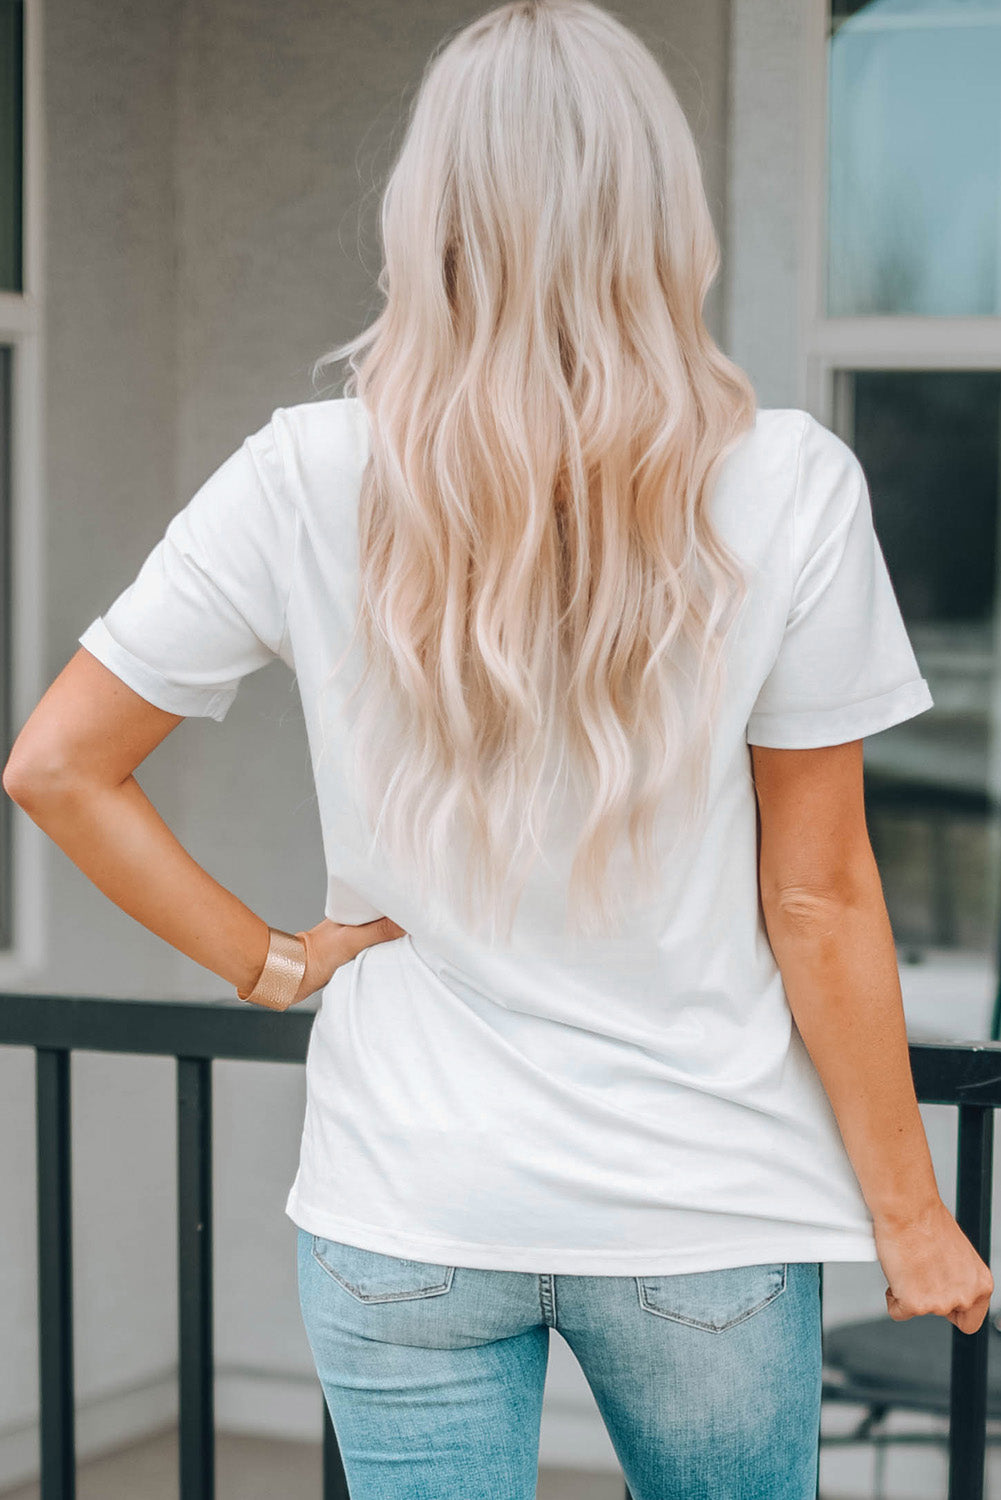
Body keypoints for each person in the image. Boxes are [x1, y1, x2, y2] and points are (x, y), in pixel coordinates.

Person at [3, 1, 992, 1496]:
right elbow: (817, 893)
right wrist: (909, 1215)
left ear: (427, 220)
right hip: (698, 1208)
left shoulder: (303, 475)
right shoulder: (788, 484)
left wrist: (269, 963)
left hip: (408, 1200)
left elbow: (57, 765)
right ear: (663, 219)